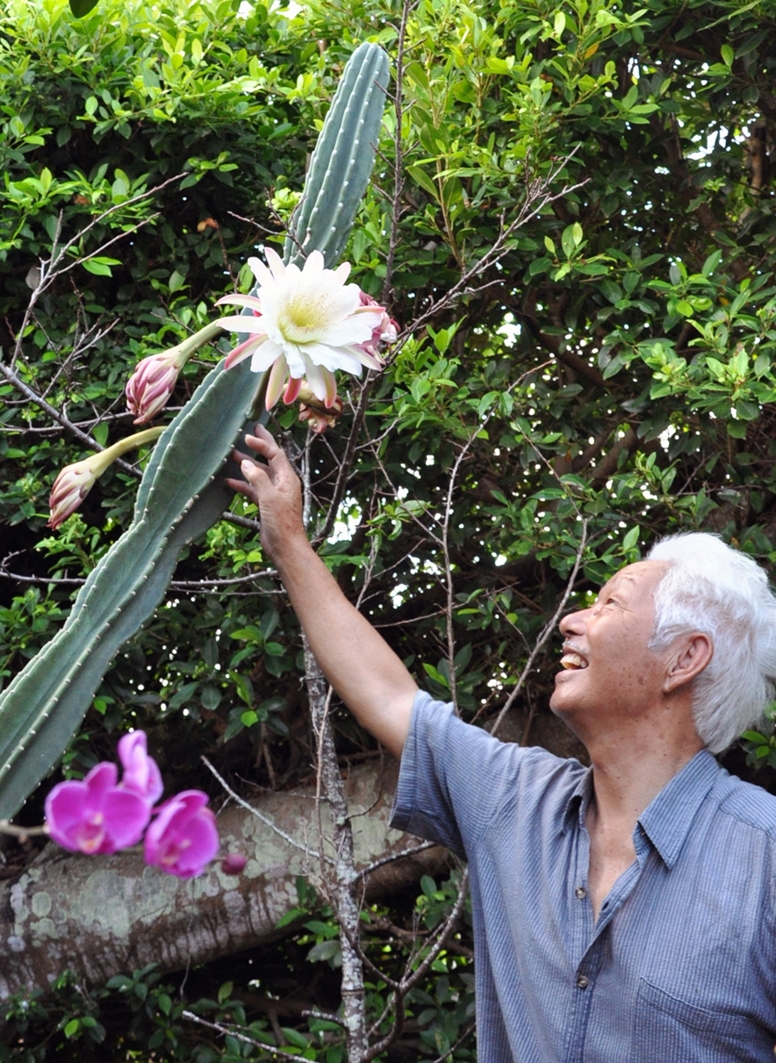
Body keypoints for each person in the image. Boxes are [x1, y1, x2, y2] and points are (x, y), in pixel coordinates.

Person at [231, 424, 776, 1063]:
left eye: (609, 605)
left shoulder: (764, 860)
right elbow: (390, 698)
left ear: (684, 657)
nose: (573, 620)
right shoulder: (516, 802)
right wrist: (289, 540)